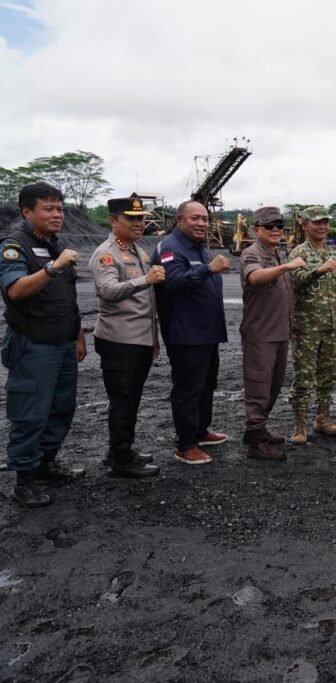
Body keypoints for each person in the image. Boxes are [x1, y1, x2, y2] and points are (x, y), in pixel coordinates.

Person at [1, 182, 86, 507]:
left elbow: (67, 298)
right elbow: (16, 291)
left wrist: (77, 335)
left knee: (62, 408)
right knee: (30, 414)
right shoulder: (14, 246)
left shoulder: (54, 245)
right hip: (33, 346)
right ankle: (24, 480)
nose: (57, 214)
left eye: (60, 208)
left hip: (63, 343)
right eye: (48, 209)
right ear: (27, 212)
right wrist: (54, 267)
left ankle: (46, 464)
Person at [89, 195, 163, 478]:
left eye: (141, 218)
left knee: (131, 399)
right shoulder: (107, 253)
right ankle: (121, 459)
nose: (138, 223)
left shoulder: (135, 250)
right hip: (119, 341)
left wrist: (153, 338)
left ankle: (120, 449)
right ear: (113, 221)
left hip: (138, 339)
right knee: (123, 399)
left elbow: (146, 302)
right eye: (131, 218)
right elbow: (107, 290)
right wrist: (144, 280)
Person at [153, 201, 231, 464]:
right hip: (186, 334)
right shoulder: (171, 247)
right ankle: (185, 445)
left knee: (207, 385)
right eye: (195, 218)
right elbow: (172, 283)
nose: (201, 223)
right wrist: (208, 268)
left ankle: (200, 430)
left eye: (205, 219)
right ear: (179, 220)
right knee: (188, 388)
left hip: (207, 332)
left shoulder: (199, 247)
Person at [240, 206, 305, 461]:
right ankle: (255, 442)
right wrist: (288, 266)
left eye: (280, 225)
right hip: (261, 335)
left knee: (274, 385)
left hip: (280, 333)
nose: (276, 229)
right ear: (257, 229)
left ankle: (258, 429)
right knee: (259, 386)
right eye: (269, 226)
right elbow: (255, 277)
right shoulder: (252, 253)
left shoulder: (277, 254)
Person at [288, 206, 336, 444]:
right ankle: (299, 424)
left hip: (330, 325)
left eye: (324, 222)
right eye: (316, 223)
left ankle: (323, 418)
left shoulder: (333, 253)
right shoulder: (298, 253)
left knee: (328, 375)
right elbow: (296, 282)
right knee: (303, 375)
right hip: (307, 326)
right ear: (305, 225)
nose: (321, 227)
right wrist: (319, 270)